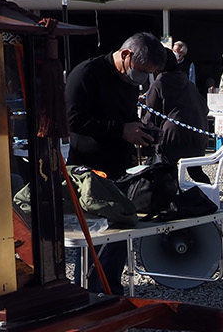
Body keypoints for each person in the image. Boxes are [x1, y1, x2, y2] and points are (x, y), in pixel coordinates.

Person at [64, 33, 165, 292]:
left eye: (148, 74)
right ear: (126, 55)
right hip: (88, 171)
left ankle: (110, 294)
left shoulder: (129, 82)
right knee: (94, 239)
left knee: (119, 237)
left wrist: (141, 131)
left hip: (120, 169)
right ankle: (87, 296)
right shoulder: (86, 73)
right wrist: (120, 129)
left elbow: (127, 118)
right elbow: (72, 120)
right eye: (142, 71)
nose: (142, 78)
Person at [139, 52, 208, 166]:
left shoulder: (158, 84)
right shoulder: (189, 84)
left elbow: (151, 116)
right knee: (196, 172)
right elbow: (205, 108)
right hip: (199, 136)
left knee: (167, 172)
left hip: (172, 138)